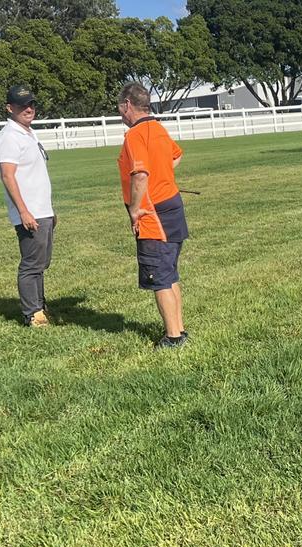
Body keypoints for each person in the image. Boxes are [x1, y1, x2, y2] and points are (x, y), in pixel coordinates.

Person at [116, 82, 190, 349]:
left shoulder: (135, 135)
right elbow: (176, 157)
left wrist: (135, 209)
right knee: (170, 272)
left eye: (120, 108)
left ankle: (173, 337)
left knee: (159, 276)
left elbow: (140, 174)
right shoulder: (158, 129)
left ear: (127, 105)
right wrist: (163, 174)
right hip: (172, 206)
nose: (121, 114)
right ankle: (179, 328)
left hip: (153, 213)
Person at [0, 84, 56, 327]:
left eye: (31, 104)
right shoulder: (9, 137)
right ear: (10, 108)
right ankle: (32, 313)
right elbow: (8, 176)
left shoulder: (28, 132)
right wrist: (23, 211)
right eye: (22, 105)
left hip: (42, 210)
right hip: (29, 212)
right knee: (32, 264)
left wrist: (49, 211)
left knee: (41, 262)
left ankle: (40, 305)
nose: (28, 109)